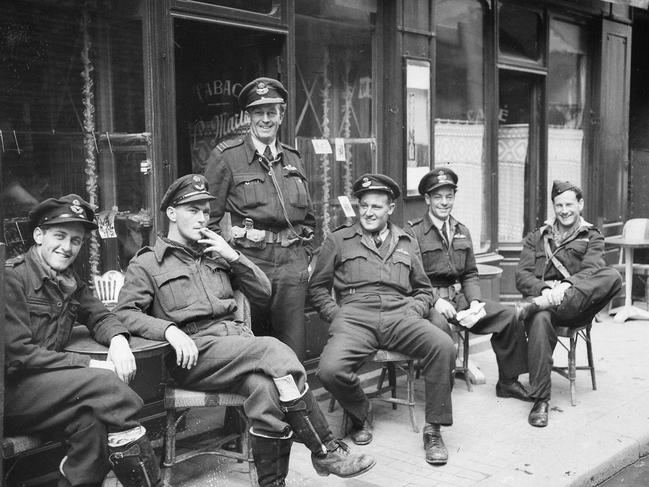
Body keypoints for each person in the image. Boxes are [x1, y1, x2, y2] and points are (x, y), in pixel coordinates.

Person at [113, 174, 375, 487]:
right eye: (192, 210)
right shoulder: (147, 264)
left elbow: (264, 294)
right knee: (273, 349)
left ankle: (272, 482)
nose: (202, 218)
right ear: (171, 213)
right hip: (194, 355)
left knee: (265, 390)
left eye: (205, 210)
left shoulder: (216, 253)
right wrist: (169, 330)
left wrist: (234, 256)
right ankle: (325, 450)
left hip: (237, 348)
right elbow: (125, 314)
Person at [4, 194, 161, 487]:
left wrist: (118, 341)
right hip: (11, 392)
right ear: (39, 235)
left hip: (49, 387)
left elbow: (100, 316)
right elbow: (18, 355)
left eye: (75, 241)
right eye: (59, 236)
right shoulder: (12, 279)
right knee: (107, 384)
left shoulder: (70, 281)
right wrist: (89, 364)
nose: (67, 248)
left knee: (90, 425)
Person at [308, 173, 456, 466]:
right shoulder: (338, 240)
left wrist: (413, 309)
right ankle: (361, 412)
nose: (369, 212)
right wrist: (336, 316)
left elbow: (424, 289)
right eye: (364, 205)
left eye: (377, 206)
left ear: (390, 209)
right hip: (355, 318)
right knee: (329, 370)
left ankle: (434, 430)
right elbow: (317, 287)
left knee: (444, 346)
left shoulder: (407, 241)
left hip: (401, 314)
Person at [204, 77, 314, 361]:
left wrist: (305, 259)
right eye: (258, 112)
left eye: (271, 112)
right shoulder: (226, 157)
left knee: (292, 355)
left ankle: (290, 406)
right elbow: (209, 221)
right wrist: (230, 264)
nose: (265, 119)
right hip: (251, 265)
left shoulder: (294, 158)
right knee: (250, 354)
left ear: (281, 114)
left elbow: (309, 220)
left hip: (292, 269)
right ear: (249, 116)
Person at [406, 168, 530, 402]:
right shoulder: (413, 232)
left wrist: (474, 302)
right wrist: (437, 300)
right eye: (438, 197)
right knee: (442, 337)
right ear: (427, 199)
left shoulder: (462, 231)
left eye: (449, 196)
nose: (444, 203)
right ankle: (441, 396)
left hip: (460, 299)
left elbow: (470, 273)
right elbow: (411, 277)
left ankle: (508, 382)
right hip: (428, 302)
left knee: (510, 315)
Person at [515, 180, 622, 427]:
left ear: (580, 204)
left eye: (569, 205)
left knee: (612, 276)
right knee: (540, 319)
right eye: (559, 205)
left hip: (576, 307)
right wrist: (544, 290)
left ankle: (541, 304)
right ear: (553, 206)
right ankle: (541, 399)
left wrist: (565, 288)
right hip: (545, 306)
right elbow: (522, 276)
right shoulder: (537, 236)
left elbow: (592, 270)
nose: (564, 210)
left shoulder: (592, 236)